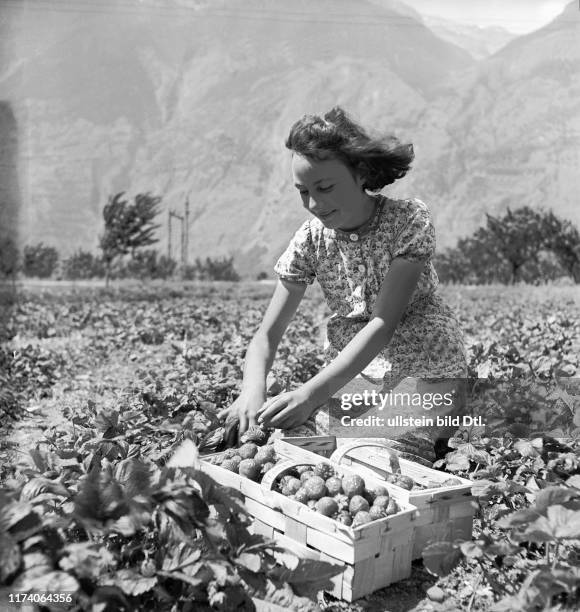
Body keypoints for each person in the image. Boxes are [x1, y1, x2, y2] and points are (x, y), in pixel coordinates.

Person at [218, 106, 467, 461]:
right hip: (353, 380)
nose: (314, 203)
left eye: (325, 187)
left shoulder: (407, 222)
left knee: (370, 454)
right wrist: (251, 390)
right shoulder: (311, 239)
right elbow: (265, 337)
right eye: (303, 191)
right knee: (267, 438)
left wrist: (310, 395)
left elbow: (382, 325)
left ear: (361, 172)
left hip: (426, 371)